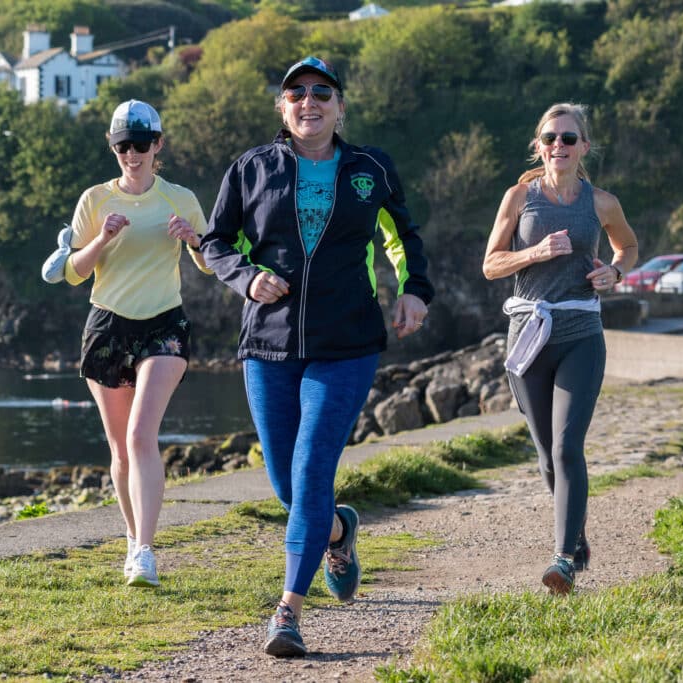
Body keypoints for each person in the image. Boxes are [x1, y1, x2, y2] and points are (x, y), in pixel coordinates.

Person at [199, 57, 434, 657]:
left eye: (321, 93)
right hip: (268, 345)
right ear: (283, 108)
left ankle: (288, 612)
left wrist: (413, 289)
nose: (309, 102)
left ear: (340, 106)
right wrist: (247, 278)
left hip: (347, 344)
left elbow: (403, 237)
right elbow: (217, 242)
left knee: (309, 476)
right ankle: (338, 529)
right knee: (286, 484)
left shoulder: (370, 167)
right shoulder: (251, 168)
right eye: (296, 93)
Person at [483, 102, 638, 595]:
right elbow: (490, 265)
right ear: (539, 145)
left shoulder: (601, 203)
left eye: (569, 139)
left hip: (581, 334)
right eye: (550, 138)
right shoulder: (519, 197)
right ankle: (576, 537)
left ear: (584, 147)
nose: (559, 146)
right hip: (529, 336)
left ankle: (562, 559)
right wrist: (534, 252)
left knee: (569, 445)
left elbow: (628, 247)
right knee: (548, 454)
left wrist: (614, 272)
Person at [55, 99, 211, 588]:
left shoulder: (180, 198)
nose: (132, 154)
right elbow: (72, 273)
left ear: (157, 145)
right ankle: (131, 538)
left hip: (164, 325)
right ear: (113, 147)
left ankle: (145, 550)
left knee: (143, 435)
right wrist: (101, 239)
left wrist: (193, 240)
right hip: (106, 327)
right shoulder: (95, 200)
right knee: (121, 449)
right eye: (123, 145)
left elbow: (211, 263)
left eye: (141, 144)